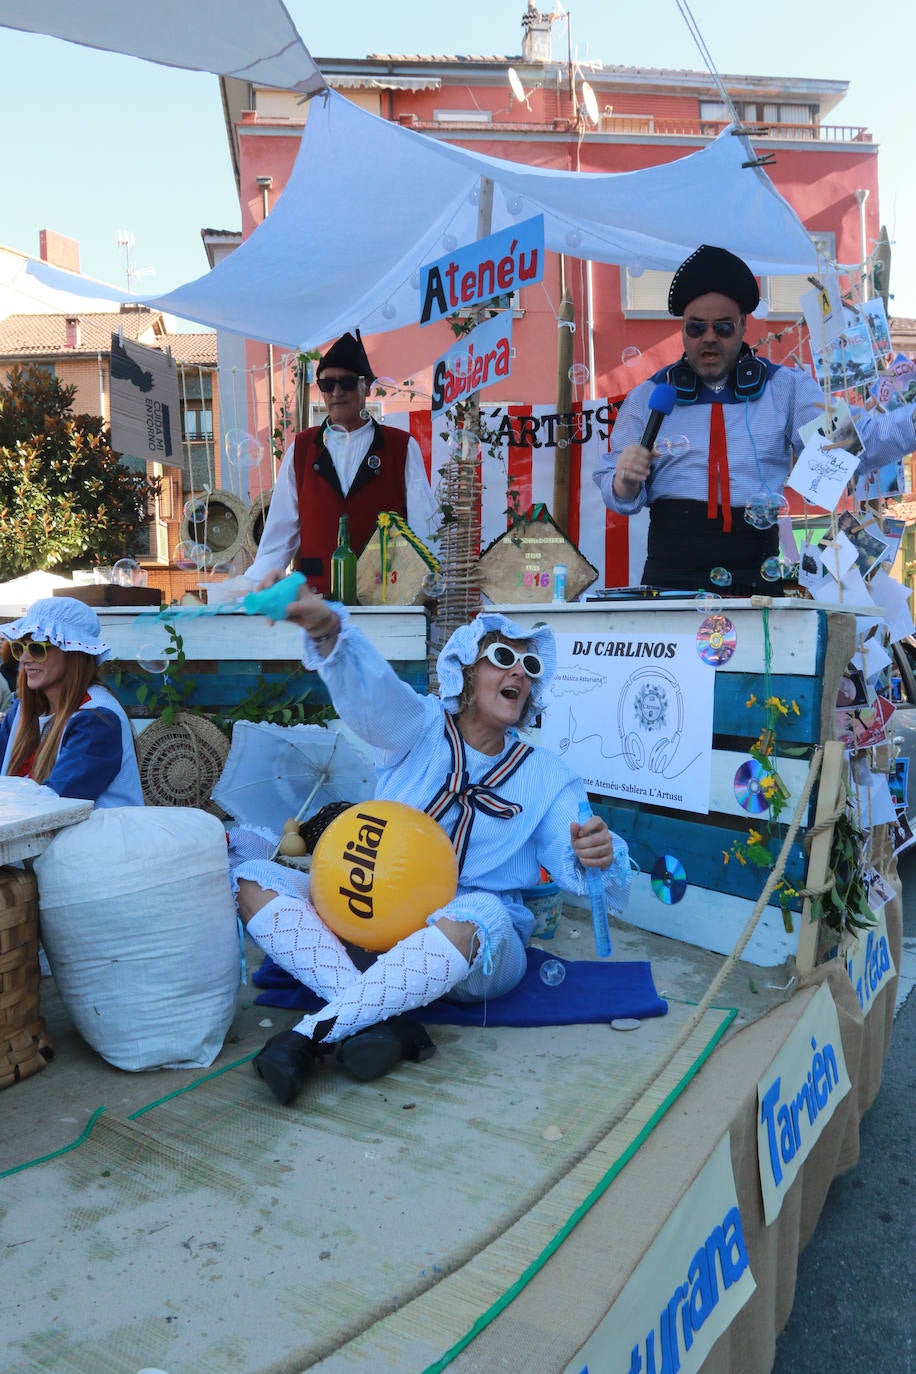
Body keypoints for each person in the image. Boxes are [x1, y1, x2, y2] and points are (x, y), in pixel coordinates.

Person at [234, 594, 631, 1106]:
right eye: (504, 659)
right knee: (250, 878)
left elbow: (575, 849)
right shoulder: (418, 726)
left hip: (471, 952)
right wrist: (331, 634)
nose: (521, 675)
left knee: (481, 910)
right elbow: (372, 696)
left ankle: (308, 1035)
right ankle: (387, 1020)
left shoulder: (547, 775)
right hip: (367, 920)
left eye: (531, 667)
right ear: (465, 671)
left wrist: (595, 850)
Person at [593, 244, 916, 595]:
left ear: (744, 325)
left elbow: (858, 442)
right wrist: (624, 481)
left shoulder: (786, 389)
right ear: (683, 330)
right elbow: (617, 489)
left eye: (723, 327)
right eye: (696, 328)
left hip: (756, 583)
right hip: (669, 582)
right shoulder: (649, 397)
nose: (709, 338)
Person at [248, 331, 439, 592]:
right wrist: (251, 588)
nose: (336, 392)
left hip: (382, 600)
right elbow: (278, 538)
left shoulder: (401, 447)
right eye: (327, 385)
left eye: (347, 383)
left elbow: (423, 529)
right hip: (317, 602)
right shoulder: (302, 449)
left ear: (368, 386)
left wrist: (431, 588)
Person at [0, 598, 143, 807]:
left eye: (38, 649)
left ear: (73, 652)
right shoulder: (23, 709)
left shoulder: (97, 720)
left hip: (92, 836)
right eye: (20, 648)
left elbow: (56, 804)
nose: (24, 658)